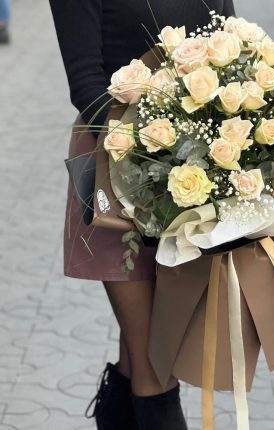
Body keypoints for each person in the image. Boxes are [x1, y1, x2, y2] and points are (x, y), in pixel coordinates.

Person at [48, 1, 236, 429]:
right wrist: (154, 149)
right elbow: (85, 82)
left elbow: (233, 47)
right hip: (115, 171)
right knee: (155, 359)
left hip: (198, 176)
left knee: (144, 348)